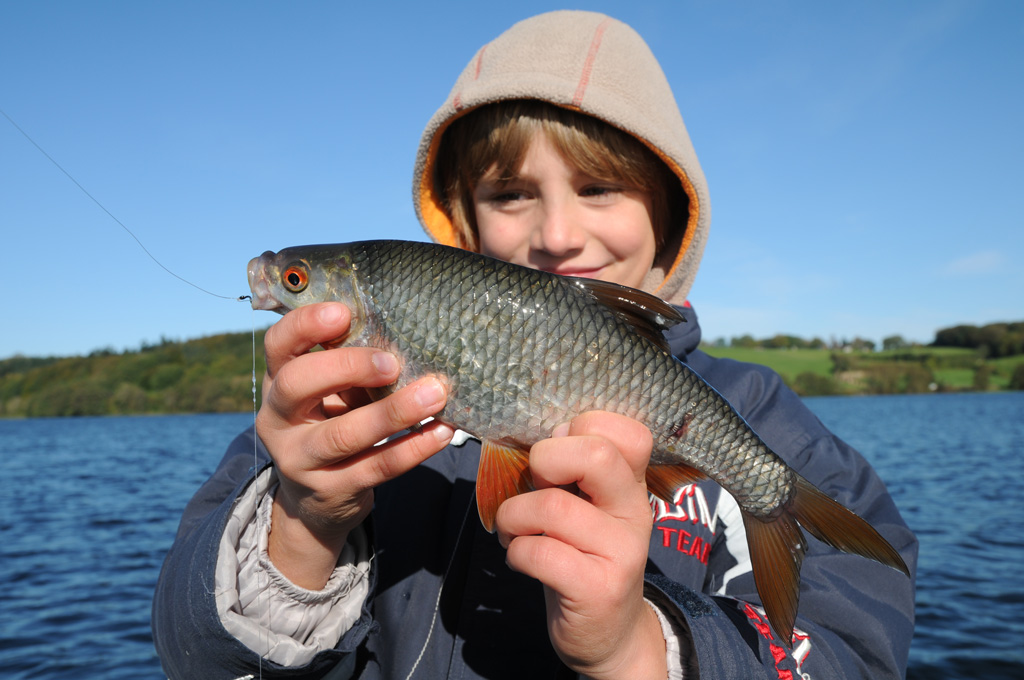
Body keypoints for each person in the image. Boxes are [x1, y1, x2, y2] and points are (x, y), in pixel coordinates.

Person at [153, 10, 917, 679]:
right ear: (464, 218)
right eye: (511, 194)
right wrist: (305, 521)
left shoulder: (777, 426)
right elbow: (195, 659)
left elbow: (855, 648)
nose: (557, 235)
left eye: (599, 188)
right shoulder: (331, 418)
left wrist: (640, 651)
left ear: (669, 215)